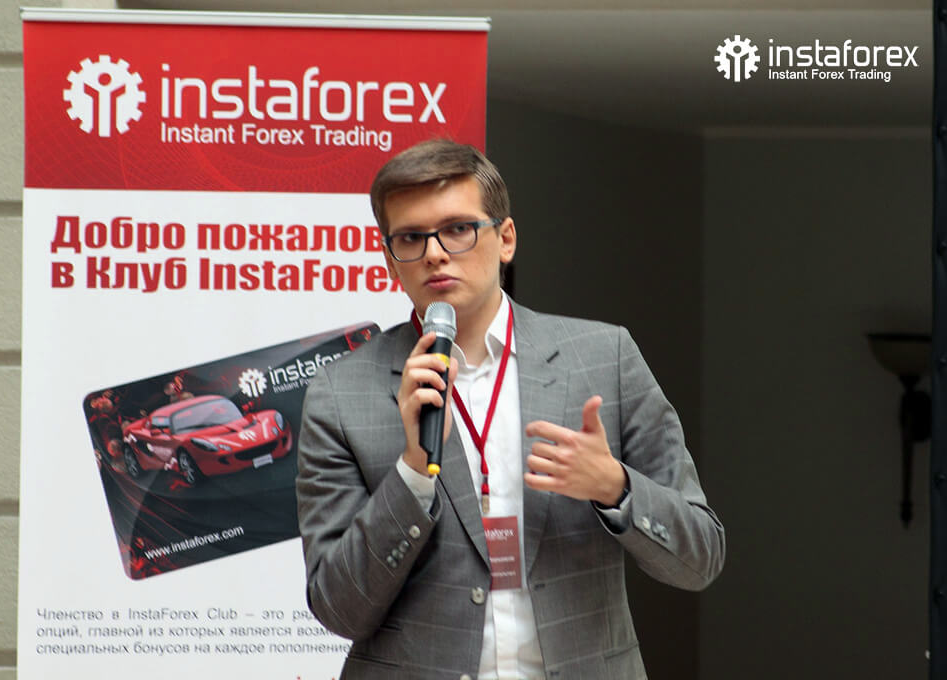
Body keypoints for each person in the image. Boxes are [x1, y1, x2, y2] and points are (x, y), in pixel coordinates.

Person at [296, 139, 725, 680]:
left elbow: (700, 558)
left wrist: (614, 486)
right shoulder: (340, 393)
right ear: (389, 260)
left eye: (457, 228)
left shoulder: (605, 358)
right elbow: (338, 610)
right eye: (410, 238)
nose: (434, 253)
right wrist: (412, 474)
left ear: (505, 239)